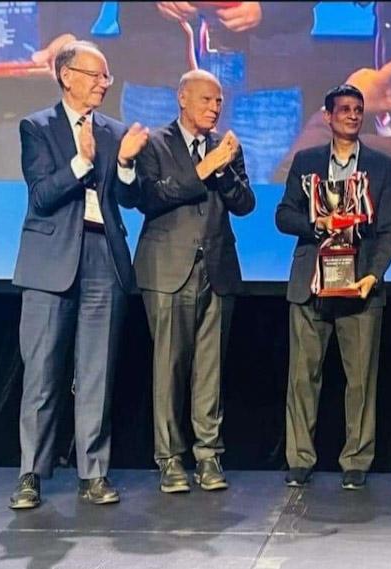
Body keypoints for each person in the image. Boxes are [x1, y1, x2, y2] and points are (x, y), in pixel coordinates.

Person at [9, 40, 148, 509]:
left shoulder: (115, 131)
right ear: (66, 76)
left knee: (96, 373)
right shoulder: (37, 127)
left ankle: (93, 473)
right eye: (95, 75)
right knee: (42, 374)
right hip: (50, 261)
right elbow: (42, 195)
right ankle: (31, 473)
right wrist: (82, 161)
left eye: (107, 77)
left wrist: (124, 164)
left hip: (103, 257)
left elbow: (129, 199)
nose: (103, 84)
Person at [134, 69, 255, 493]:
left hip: (217, 270)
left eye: (219, 100)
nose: (214, 107)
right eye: (206, 99)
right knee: (169, 367)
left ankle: (208, 456)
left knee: (210, 368)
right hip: (167, 270)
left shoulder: (227, 148)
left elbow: (245, 203)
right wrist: (204, 169)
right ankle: (169, 459)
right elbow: (150, 197)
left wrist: (223, 169)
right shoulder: (155, 143)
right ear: (182, 98)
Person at [276, 84, 391, 490]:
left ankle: (356, 461)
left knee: (361, 380)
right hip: (310, 284)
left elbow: (390, 229)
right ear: (328, 116)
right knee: (302, 378)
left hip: (360, 285)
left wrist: (374, 275)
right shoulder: (306, 161)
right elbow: (283, 215)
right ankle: (299, 459)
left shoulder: (383, 166)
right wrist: (318, 224)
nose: (352, 115)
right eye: (344, 109)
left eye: (358, 109)